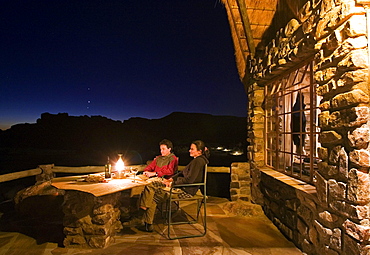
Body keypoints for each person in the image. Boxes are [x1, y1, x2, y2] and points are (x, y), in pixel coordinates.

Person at [137, 140, 210, 232]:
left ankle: (145, 217)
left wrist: (172, 183)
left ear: (199, 151)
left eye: (192, 149)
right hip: (181, 186)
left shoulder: (198, 162)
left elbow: (189, 180)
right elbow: (182, 173)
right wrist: (171, 179)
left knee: (154, 195)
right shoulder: (197, 160)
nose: (189, 151)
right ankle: (145, 212)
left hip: (185, 191)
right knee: (151, 185)